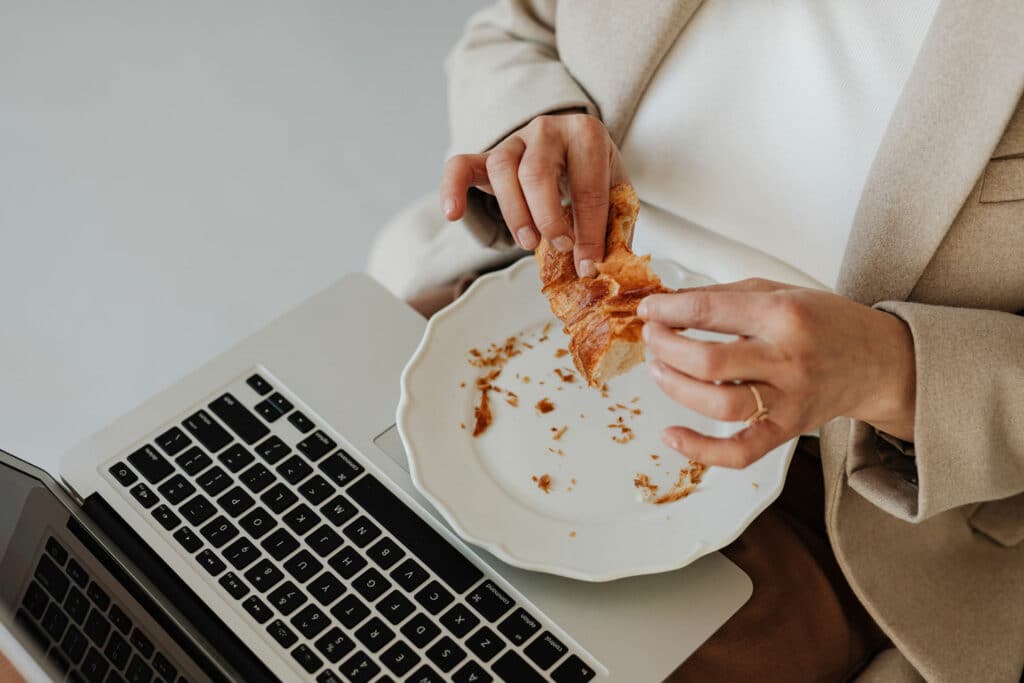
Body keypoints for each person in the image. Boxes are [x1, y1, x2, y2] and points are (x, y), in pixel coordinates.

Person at [369, 1, 1024, 680]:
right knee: (313, 522)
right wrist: (533, 124)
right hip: (519, 326)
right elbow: (515, 29)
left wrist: (891, 369)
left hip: (841, 476)